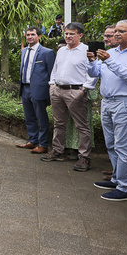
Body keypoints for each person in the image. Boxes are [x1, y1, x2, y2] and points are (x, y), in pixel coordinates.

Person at [87, 19, 127, 201]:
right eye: (115, 31)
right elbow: (94, 73)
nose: (116, 34)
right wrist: (92, 62)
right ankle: (117, 178)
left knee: (123, 146)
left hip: (126, 102)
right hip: (107, 101)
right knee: (111, 143)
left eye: (121, 31)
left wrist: (109, 62)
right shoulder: (111, 52)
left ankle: (125, 188)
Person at [40, 22, 97, 170]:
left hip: (76, 91)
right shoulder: (61, 50)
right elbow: (55, 69)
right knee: (59, 123)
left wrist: (84, 89)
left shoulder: (86, 51)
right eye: (66, 33)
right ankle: (58, 151)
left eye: (72, 34)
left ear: (80, 35)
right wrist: (52, 85)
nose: (68, 36)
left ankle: (84, 157)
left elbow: (94, 72)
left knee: (82, 126)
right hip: (57, 90)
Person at [16, 27, 55, 153]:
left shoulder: (46, 52)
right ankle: (33, 141)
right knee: (29, 117)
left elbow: (52, 73)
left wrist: (50, 90)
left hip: (39, 89)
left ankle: (43, 144)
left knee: (41, 118)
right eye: (28, 35)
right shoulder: (24, 51)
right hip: (25, 88)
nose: (29, 37)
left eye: (32, 34)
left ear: (39, 36)